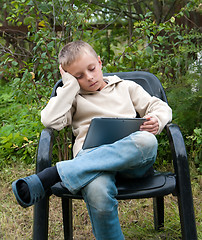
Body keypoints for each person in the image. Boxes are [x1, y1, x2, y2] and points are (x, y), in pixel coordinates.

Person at [12, 40, 172, 240]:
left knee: (147, 142)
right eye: (79, 75)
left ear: (99, 62)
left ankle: (54, 174)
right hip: (93, 168)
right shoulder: (73, 97)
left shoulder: (126, 87)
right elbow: (50, 120)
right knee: (97, 192)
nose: (89, 77)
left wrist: (157, 119)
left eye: (91, 69)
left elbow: (160, 106)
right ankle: (68, 171)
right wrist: (69, 87)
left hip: (133, 162)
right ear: (70, 76)